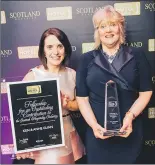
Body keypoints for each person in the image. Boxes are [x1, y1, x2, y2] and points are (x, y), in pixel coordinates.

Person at [76, 5, 153, 164]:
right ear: (98, 31)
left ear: (120, 28)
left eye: (112, 24)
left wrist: (130, 116)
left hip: (129, 130)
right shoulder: (86, 59)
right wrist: (94, 125)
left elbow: (146, 92)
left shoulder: (137, 56)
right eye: (103, 26)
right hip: (98, 133)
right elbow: (82, 98)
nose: (108, 30)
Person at [16, 28, 85, 164]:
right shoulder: (32, 76)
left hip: (68, 134)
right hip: (42, 137)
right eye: (50, 47)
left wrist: (68, 104)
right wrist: (22, 143)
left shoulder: (72, 74)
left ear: (65, 49)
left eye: (60, 46)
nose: (55, 52)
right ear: (43, 51)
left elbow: (81, 104)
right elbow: (21, 116)